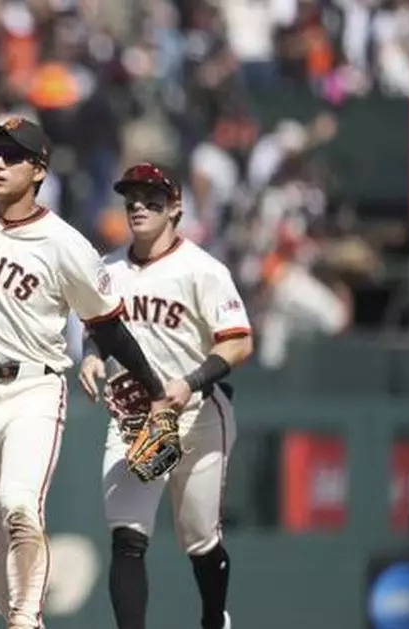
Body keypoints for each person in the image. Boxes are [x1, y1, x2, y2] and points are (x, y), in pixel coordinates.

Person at [0, 2, 178, 628]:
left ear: (39, 170)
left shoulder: (67, 245)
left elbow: (107, 323)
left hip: (34, 387)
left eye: (11, 156)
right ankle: (20, 617)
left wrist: (158, 388)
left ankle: (26, 621)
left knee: (21, 506)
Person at [77, 163, 254, 629]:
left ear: (175, 207)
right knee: (127, 536)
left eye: (151, 197)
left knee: (200, 539)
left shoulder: (202, 269)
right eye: (131, 197)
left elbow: (238, 342)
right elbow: (100, 330)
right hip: (137, 419)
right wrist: (92, 356)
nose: (138, 205)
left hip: (197, 416)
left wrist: (189, 382)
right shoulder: (108, 269)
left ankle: (215, 619)